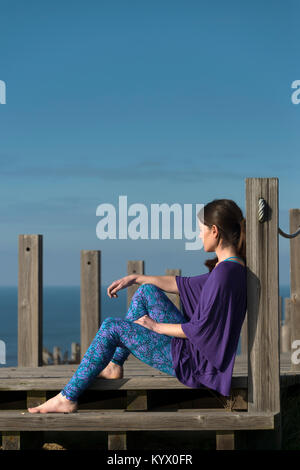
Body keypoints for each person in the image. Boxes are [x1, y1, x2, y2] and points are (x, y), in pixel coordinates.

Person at [27, 198, 247, 413]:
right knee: (146, 292)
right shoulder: (229, 268)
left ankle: (67, 397)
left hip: (196, 365)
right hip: (197, 354)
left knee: (112, 327)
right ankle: (113, 364)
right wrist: (136, 278)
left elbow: (202, 330)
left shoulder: (224, 276)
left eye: (201, 230)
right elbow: (183, 284)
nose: (199, 235)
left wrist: (155, 326)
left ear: (215, 231)